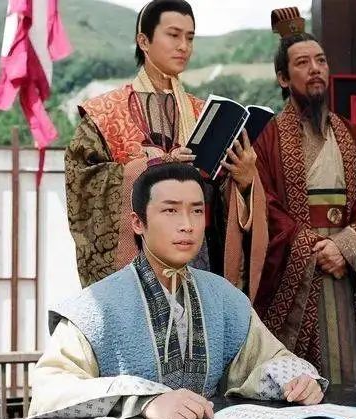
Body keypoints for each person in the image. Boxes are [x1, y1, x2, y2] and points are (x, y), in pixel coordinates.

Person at [28, 163, 326, 419]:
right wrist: (144, 401)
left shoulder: (223, 296)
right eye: (170, 210)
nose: (187, 225)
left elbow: (266, 358)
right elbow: (49, 389)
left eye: (196, 211)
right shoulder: (95, 307)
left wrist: (296, 380)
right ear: (138, 223)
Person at [65, 0, 267, 296]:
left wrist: (245, 182)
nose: (184, 46)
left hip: (200, 254)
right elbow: (83, 186)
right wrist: (150, 167)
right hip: (139, 258)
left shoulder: (204, 113)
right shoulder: (104, 114)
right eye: (174, 35)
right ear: (143, 41)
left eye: (190, 37)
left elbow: (220, 199)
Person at [253, 7, 356, 384]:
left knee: (350, 365)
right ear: (283, 78)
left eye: (321, 61)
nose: (315, 69)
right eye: (302, 63)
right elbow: (265, 206)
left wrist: (344, 247)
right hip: (302, 267)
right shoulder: (268, 139)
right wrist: (312, 248)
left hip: (347, 265)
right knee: (305, 380)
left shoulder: (353, 136)